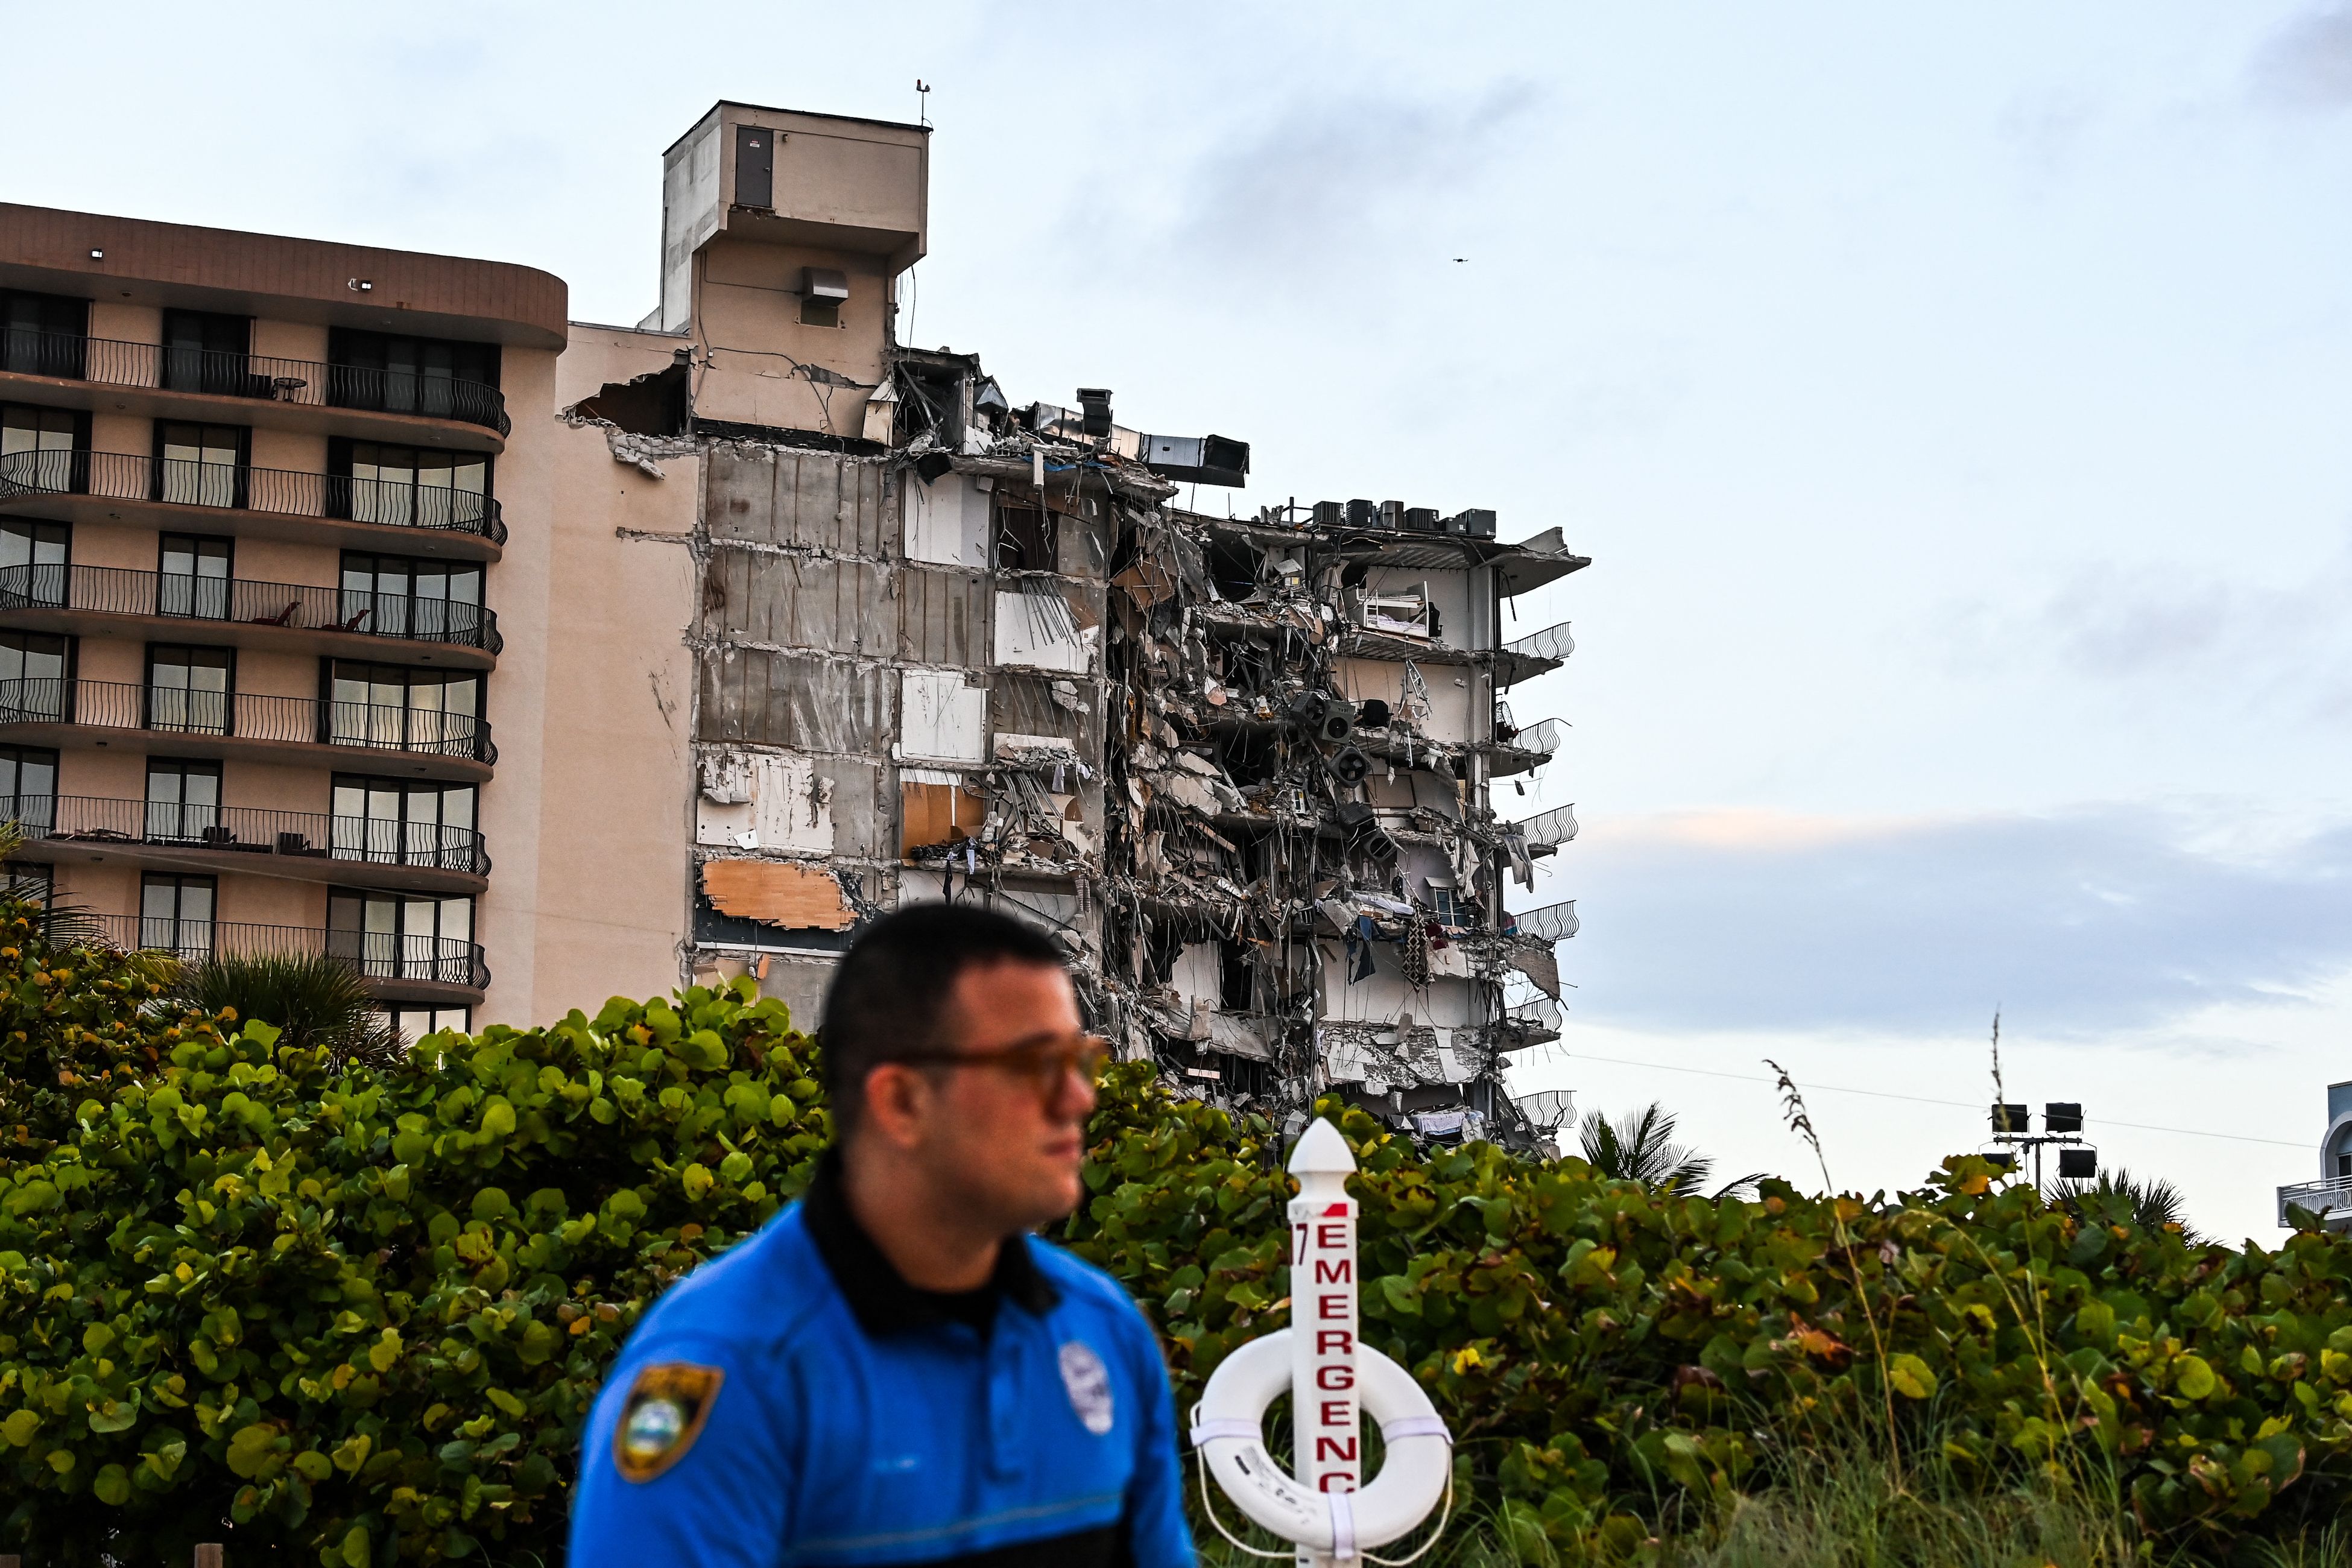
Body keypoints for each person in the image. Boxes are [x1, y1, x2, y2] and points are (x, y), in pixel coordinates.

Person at [569, 903, 1193, 1568]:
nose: (1079, 1098)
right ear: (901, 1101)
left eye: (1080, 1059)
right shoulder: (735, 1370)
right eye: (1037, 1064)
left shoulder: (1105, 1329)